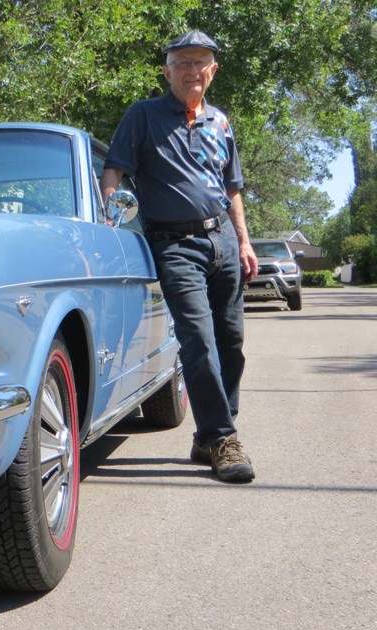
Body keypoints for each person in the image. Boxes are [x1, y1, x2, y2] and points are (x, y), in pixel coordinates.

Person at [100, 30, 257, 482]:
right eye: (182, 63)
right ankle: (224, 437)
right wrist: (114, 216)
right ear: (167, 71)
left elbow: (232, 190)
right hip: (172, 244)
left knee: (231, 344)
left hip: (222, 239)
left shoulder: (220, 122)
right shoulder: (144, 116)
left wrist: (243, 241)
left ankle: (209, 434)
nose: (192, 70)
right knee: (198, 339)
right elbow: (114, 172)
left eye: (201, 62)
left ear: (213, 70)